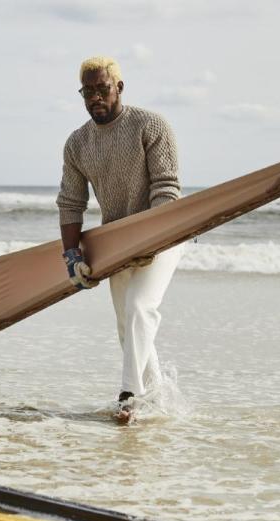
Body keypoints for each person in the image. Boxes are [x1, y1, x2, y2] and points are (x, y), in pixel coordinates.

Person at [56, 56, 184, 423]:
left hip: (165, 232)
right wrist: (71, 254)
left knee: (141, 308)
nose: (95, 97)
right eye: (88, 91)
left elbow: (166, 187)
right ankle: (157, 401)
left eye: (103, 89)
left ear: (119, 88)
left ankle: (128, 396)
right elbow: (70, 203)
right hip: (117, 240)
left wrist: (152, 241)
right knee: (126, 327)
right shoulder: (77, 143)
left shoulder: (150, 125)